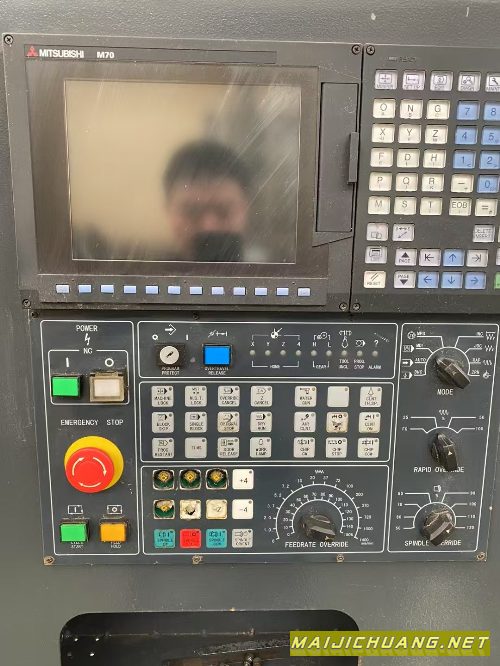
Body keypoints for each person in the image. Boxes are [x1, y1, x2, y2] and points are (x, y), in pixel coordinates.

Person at [163, 140, 251, 262]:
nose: (209, 227)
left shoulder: (274, 270)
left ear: (245, 209)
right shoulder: (147, 272)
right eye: (192, 212)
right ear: (168, 211)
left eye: (223, 211)